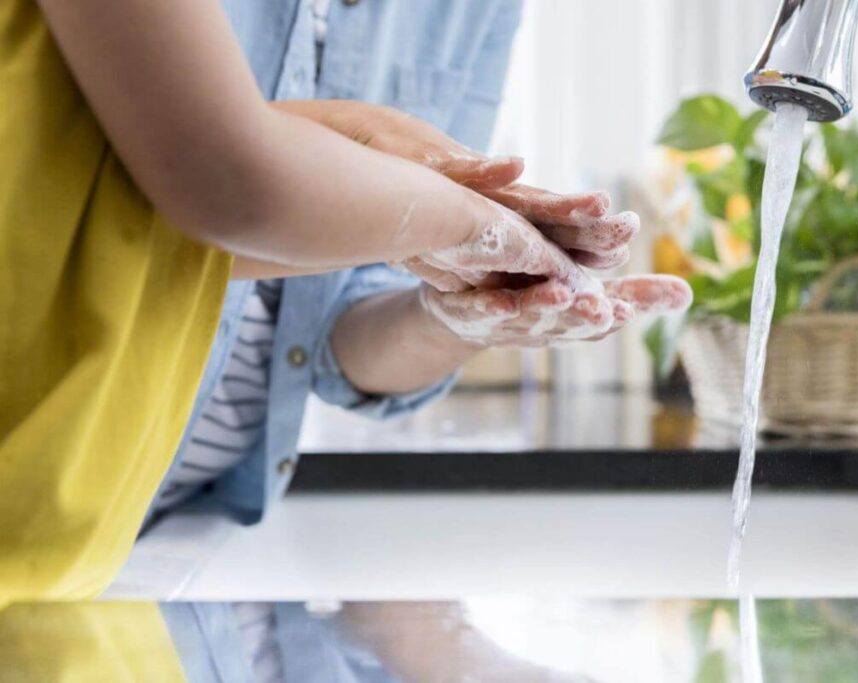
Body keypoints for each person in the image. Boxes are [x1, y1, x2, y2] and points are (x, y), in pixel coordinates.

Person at [1, 0, 689, 600]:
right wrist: (460, 220)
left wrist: (469, 302)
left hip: (96, 515)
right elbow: (223, 185)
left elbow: (149, 223)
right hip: (52, 481)